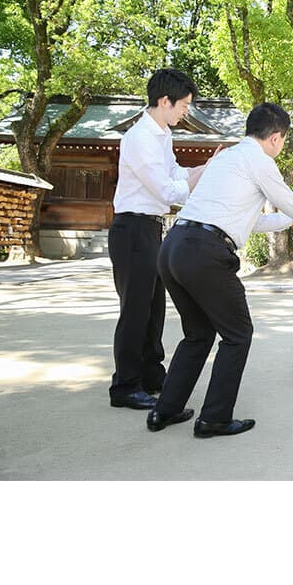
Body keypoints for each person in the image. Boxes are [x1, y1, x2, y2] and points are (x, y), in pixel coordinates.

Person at [146, 102, 293, 437]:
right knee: (238, 334)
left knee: (198, 334)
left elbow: (252, 221)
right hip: (206, 253)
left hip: (175, 246)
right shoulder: (260, 160)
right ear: (275, 137)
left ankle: (164, 410)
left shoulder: (227, 158)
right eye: (282, 140)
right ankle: (214, 418)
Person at [108, 68, 213, 410]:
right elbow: (166, 189)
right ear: (164, 101)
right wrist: (193, 182)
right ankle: (125, 385)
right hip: (131, 229)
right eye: (184, 104)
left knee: (154, 308)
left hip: (151, 228)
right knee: (135, 309)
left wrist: (203, 169)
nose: (187, 111)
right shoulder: (140, 138)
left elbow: (176, 174)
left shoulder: (161, 135)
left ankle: (151, 374)